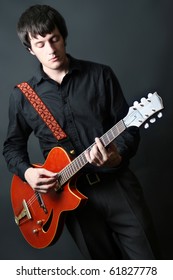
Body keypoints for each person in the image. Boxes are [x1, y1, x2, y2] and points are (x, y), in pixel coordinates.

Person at [3, 4, 159, 259]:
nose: (51, 49)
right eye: (40, 44)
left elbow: (128, 128)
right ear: (30, 49)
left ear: (63, 36)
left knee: (151, 264)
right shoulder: (22, 96)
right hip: (68, 200)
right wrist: (28, 172)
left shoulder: (101, 75)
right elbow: (11, 147)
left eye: (54, 39)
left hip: (117, 185)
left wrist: (117, 155)